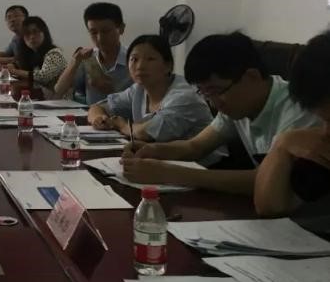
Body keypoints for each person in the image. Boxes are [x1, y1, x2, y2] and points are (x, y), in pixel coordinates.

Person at [122, 32, 320, 195]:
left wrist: (172, 174)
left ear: (251, 76)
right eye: (204, 93)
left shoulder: (298, 108)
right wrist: (154, 150)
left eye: (216, 91)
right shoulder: (235, 102)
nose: (214, 103)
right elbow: (195, 146)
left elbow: (269, 181)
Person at [87, 35, 213, 156]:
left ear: (168, 66)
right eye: (134, 59)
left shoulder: (184, 96)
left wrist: (121, 125)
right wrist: (98, 119)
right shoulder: (138, 89)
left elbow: (147, 133)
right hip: (161, 157)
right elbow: (97, 107)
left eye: (150, 59)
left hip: (203, 165)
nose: (140, 66)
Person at [254, 31, 330, 216]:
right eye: (325, 121)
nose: (326, 133)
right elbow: (270, 208)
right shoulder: (321, 149)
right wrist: (282, 145)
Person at [54, 2, 132, 104]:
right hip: (91, 114)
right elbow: (58, 93)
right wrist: (74, 62)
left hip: (126, 115)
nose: (100, 38)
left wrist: (112, 91)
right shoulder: (87, 58)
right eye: (93, 32)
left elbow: (146, 100)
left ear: (121, 28)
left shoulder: (135, 59)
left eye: (106, 31)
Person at [7, 16, 68, 91]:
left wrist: (16, 71)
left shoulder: (54, 53)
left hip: (60, 96)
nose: (32, 37)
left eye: (35, 32)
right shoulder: (31, 53)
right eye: (27, 33)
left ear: (44, 33)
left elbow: (44, 77)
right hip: (40, 95)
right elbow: (20, 64)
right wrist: (13, 65)